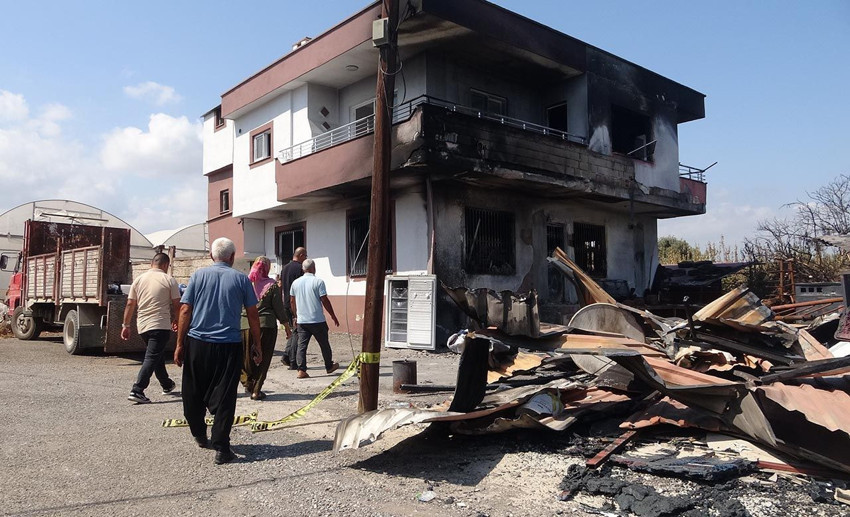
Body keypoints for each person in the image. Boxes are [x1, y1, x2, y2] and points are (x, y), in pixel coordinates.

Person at [175, 237, 262, 465]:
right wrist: (257, 344)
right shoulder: (242, 280)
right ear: (232, 257)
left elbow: (185, 310)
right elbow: (253, 314)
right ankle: (222, 448)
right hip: (229, 345)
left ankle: (199, 434)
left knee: (192, 391)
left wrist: (179, 344)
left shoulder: (198, 276)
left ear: (212, 256)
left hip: (197, 343)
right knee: (225, 396)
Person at [123, 253, 181, 404]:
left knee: (156, 354)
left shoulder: (139, 279)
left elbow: (130, 304)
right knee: (152, 356)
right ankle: (137, 389)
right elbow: (177, 304)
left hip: (142, 326)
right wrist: (177, 320)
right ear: (165, 265)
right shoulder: (169, 280)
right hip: (160, 325)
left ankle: (166, 384)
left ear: (152, 263)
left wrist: (125, 325)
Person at [240, 256, 290, 400]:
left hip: (244, 325)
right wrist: (286, 326)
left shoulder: (245, 283)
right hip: (266, 326)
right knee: (264, 357)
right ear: (267, 268)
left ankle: (247, 382)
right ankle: (256, 389)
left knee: (245, 358)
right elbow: (279, 308)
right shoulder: (272, 285)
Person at [289, 258, 340, 379]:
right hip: (317, 319)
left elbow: (292, 301)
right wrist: (332, 315)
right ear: (313, 268)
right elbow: (324, 300)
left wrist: (295, 315)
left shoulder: (295, 283)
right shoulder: (318, 282)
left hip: (302, 320)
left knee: (302, 346)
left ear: (303, 269)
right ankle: (329, 366)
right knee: (324, 344)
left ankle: (301, 369)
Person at [280, 247, 307, 368]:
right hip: (296, 304)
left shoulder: (284, 268)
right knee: (297, 332)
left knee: (293, 330)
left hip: (286, 303)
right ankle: (293, 360)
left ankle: (286, 355)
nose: (306, 258)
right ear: (300, 255)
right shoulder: (300, 269)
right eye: (305, 255)